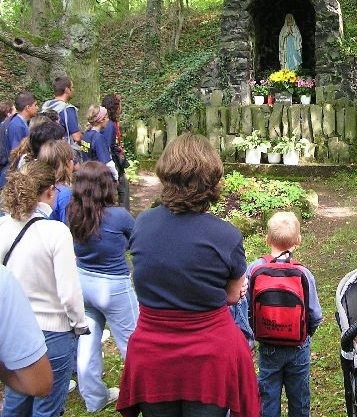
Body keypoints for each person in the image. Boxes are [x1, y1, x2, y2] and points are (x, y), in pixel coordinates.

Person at [117, 133, 259, 417]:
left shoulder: (142, 224)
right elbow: (233, 296)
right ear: (211, 180)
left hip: (153, 354)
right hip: (209, 357)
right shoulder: (226, 236)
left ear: (166, 174)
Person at [0, 160, 89, 417]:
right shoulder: (56, 232)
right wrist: (79, 324)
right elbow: (69, 292)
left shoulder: (3, 227)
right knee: (47, 407)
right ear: (50, 191)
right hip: (54, 331)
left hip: (15, 330)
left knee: (16, 401)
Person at [67, 161, 138, 412]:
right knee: (134, 343)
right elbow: (137, 242)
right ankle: (144, 394)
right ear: (106, 186)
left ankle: (94, 399)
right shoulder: (119, 216)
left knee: (87, 342)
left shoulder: (73, 213)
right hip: (113, 286)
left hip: (83, 282)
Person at [246, 211, 322, 417]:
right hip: (298, 346)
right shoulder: (304, 273)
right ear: (298, 241)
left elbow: (245, 306)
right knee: (299, 395)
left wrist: (253, 333)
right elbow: (315, 314)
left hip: (268, 344)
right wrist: (306, 334)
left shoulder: (254, 268)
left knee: (268, 394)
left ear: (267, 239)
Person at [0, 265, 53, 397]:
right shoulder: (3, 280)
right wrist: (79, 324)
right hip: (52, 323)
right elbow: (39, 384)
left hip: (26, 325)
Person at [0, 91, 39, 188]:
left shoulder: (20, 122)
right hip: (11, 177)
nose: (37, 108)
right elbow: (16, 153)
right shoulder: (17, 125)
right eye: (35, 105)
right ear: (28, 107)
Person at [101, 93, 130, 209]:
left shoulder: (111, 123)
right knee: (118, 190)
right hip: (112, 164)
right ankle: (123, 214)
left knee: (124, 187)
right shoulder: (109, 125)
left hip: (115, 163)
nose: (121, 108)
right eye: (120, 105)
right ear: (115, 107)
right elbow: (107, 147)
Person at [37, 140, 74, 224]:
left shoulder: (39, 187)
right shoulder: (65, 193)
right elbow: (67, 225)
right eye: (71, 159)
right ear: (67, 164)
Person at [80, 105, 118, 181]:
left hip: (86, 175)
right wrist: (115, 176)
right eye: (107, 117)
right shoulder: (98, 138)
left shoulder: (86, 134)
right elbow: (108, 163)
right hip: (98, 177)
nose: (108, 120)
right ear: (102, 120)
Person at [41, 76, 81, 146]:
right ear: (67, 90)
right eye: (72, 87)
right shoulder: (68, 109)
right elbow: (77, 137)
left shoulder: (46, 106)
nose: (73, 90)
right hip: (62, 149)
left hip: (45, 147)